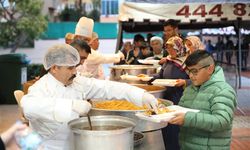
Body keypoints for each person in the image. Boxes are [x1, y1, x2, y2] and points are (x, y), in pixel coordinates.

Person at [21, 43, 158, 150]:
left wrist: (140, 95)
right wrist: (71, 106)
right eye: (70, 68)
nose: (75, 71)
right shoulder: (40, 88)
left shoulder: (77, 82)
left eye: (75, 66)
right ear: (54, 68)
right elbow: (28, 107)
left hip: (77, 144)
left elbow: (107, 87)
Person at [169, 50, 237, 150]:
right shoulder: (190, 89)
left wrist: (188, 119)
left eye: (195, 71)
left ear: (210, 69)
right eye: (188, 71)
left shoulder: (222, 90)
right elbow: (181, 110)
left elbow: (222, 121)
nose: (191, 76)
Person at [149, 36, 189, 150]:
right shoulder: (168, 61)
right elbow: (160, 75)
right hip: (167, 98)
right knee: (166, 129)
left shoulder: (187, 63)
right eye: (168, 48)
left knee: (175, 130)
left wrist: (185, 82)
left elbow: (196, 80)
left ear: (179, 48)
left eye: (173, 48)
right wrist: (148, 77)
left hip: (180, 99)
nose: (170, 51)